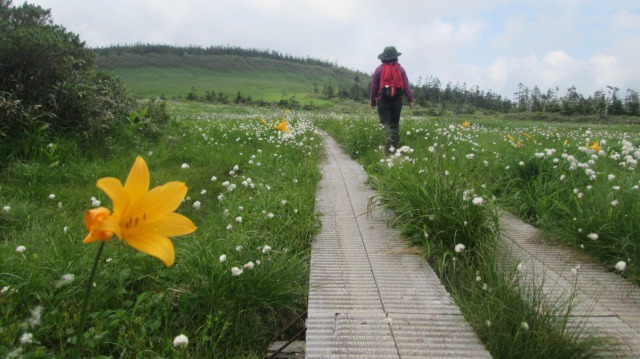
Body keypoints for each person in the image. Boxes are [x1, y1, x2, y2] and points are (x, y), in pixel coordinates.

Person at [370, 46, 414, 153]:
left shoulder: (379, 69)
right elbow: (406, 86)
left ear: (384, 57)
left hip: (383, 100)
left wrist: (373, 101)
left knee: (385, 123)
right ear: (396, 57)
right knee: (395, 123)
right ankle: (394, 147)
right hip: (397, 100)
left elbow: (374, 86)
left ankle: (387, 147)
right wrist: (410, 100)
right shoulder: (401, 69)